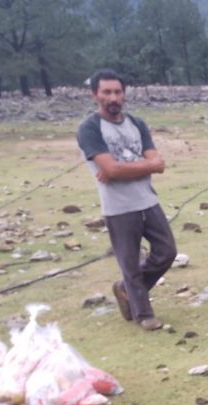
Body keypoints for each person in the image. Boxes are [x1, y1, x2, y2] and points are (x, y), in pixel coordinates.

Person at [76, 69, 176, 331]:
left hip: (147, 200)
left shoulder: (137, 124)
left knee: (166, 252)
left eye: (118, 92)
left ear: (124, 94)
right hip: (119, 207)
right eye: (107, 92)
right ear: (95, 94)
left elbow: (159, 164)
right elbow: (111, 170)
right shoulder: (89, 128)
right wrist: (142, 165)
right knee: (129, 262)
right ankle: (143, 314)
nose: (113, 97)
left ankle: (126, 290)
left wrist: (122, 168)